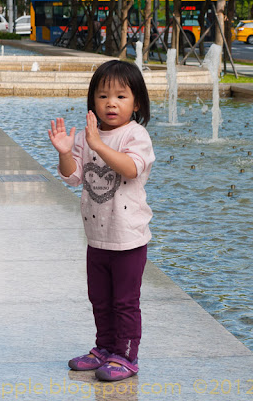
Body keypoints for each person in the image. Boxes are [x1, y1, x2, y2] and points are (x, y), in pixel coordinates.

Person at [48, 60, 154, 382]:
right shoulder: (87, 136)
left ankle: (126, 355)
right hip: (97, 237)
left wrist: (97, 145)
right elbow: (73, 177)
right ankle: (105, 347)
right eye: (103, 96)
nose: (111, 103)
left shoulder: (135, 135)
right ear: (92, 100)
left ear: (137, 103)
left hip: (128, 239)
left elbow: (131, 168)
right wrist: (66, 152)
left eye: (121, 96)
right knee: (100, 299)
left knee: (124, 301)